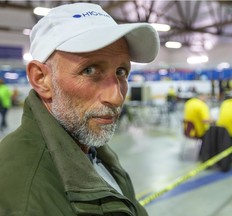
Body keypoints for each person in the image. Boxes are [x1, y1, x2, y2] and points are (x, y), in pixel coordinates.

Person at [0, 3, 159, 216]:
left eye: (121, 71)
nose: (116, 97)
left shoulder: (89, 145)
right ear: (41, 79)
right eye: (89, 70)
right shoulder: (25, 201)